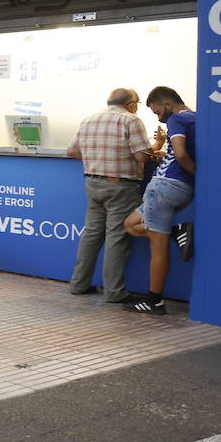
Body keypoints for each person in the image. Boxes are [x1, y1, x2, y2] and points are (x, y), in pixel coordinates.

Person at [65, 89, 152, 303]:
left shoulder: (89, 119)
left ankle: (78, 284)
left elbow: (72, 152)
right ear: (131, 104)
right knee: (117, 236)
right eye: (138, 103)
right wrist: (153, 151)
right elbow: (141, 156)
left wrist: (97, 157)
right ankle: (114, 292)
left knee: (92, 234)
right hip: (120, 186)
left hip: (93, 183)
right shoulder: (131, 120)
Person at [122, 87, 195, 315]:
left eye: (157, 112)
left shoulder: (177, 119)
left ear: (167, 104)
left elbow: (181, 155)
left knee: (158, 248)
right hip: (179, 189)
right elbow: (181, 153)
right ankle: (176, 231)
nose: (159, 118)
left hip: (164, 187)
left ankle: (155, 301)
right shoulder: (196, 118)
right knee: (131, 224)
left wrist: (201, 176)